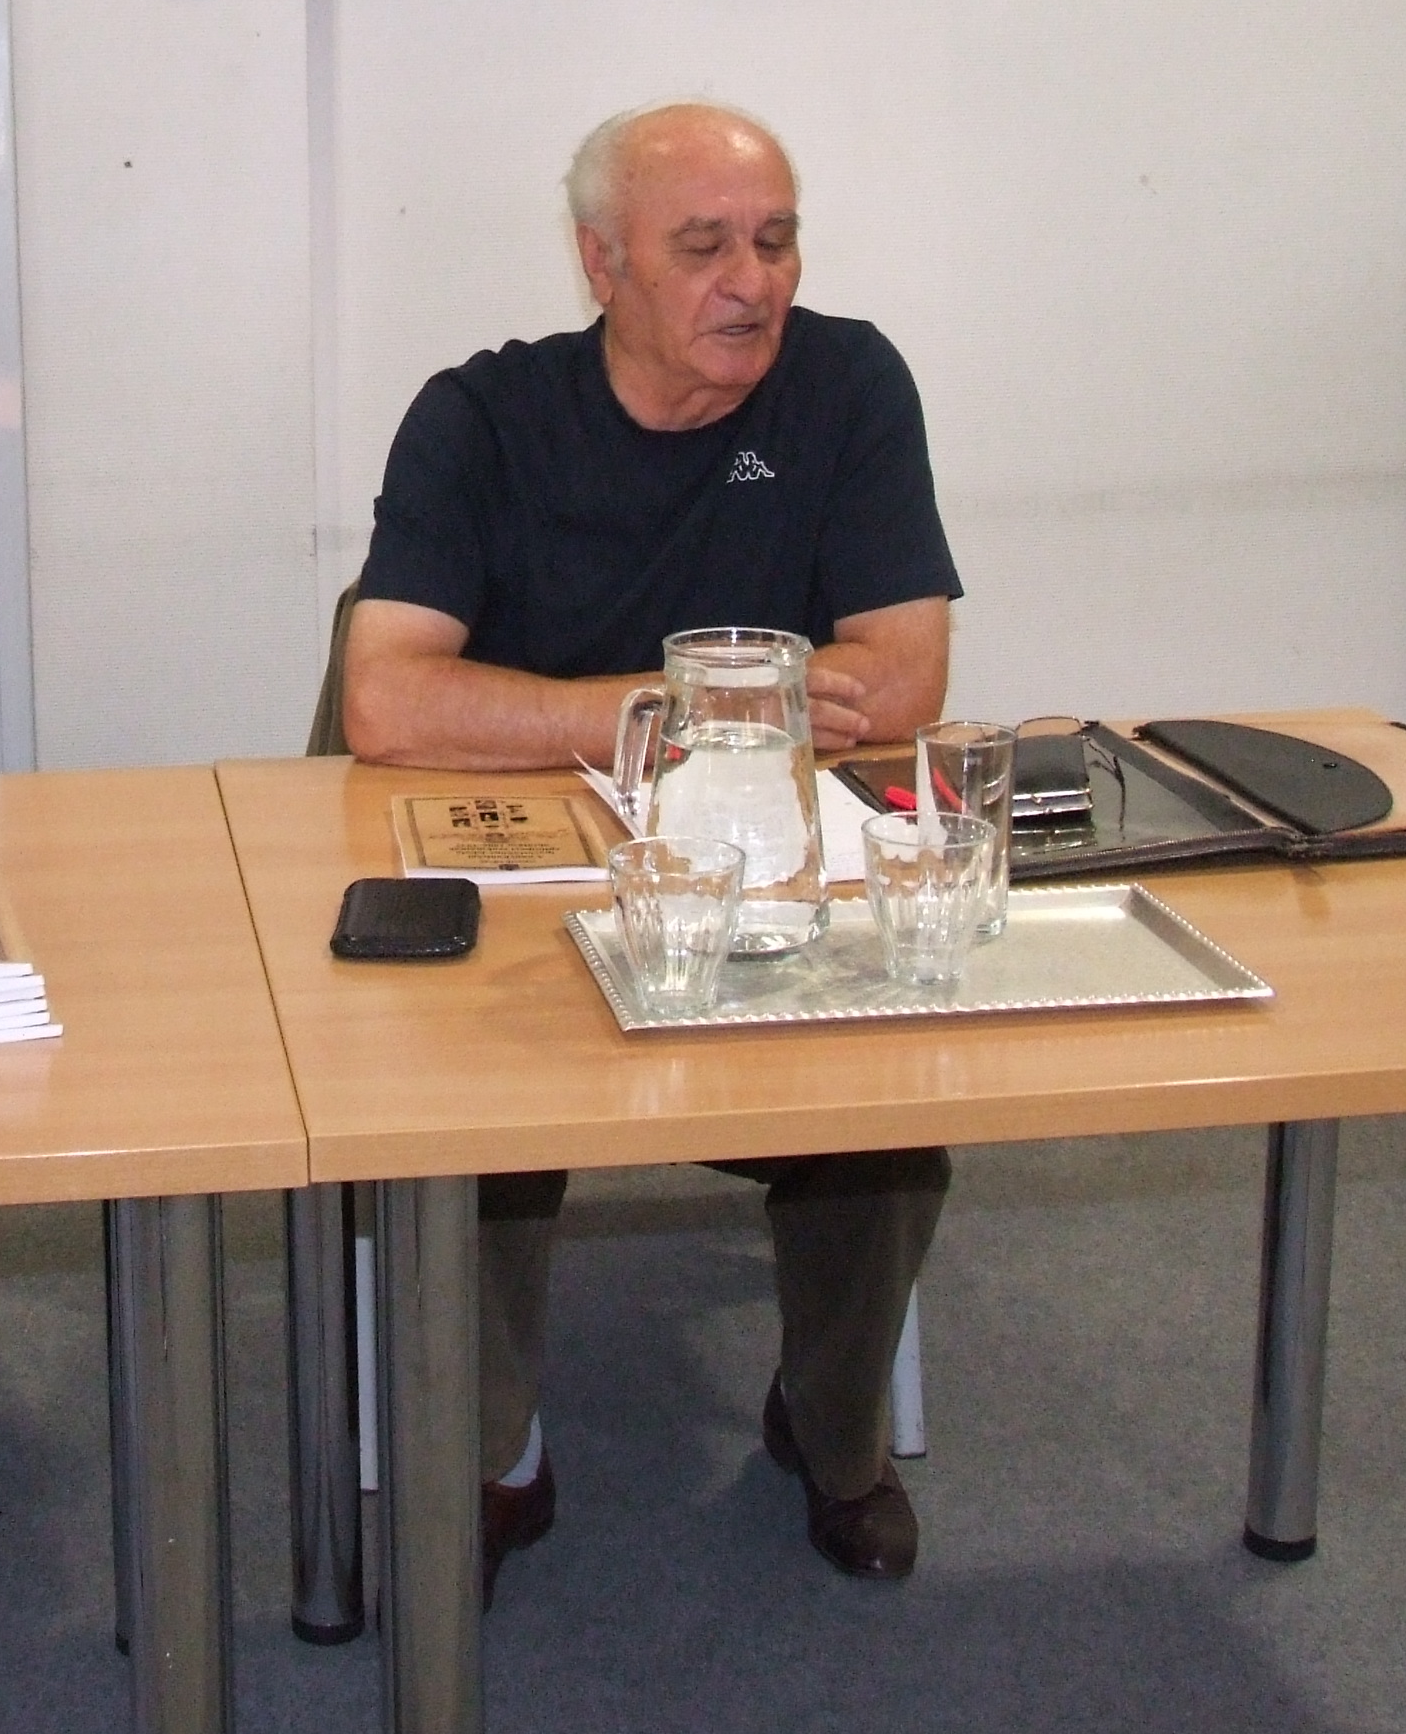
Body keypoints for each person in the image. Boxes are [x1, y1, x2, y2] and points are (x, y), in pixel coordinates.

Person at [343, 100, 962, 1591]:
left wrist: (609, 719)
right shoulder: (482, 418)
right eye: (704, 248)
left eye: (776, 240)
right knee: (461, 1117)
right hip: (529, 892)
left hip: (757, 887)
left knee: (892, 1108)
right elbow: (386, 697)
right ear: (601, 263)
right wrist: (676, 707)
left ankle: (834, 1429)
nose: (753, 282)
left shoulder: (848, 386)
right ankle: (492, 1452)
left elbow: (901, 676)